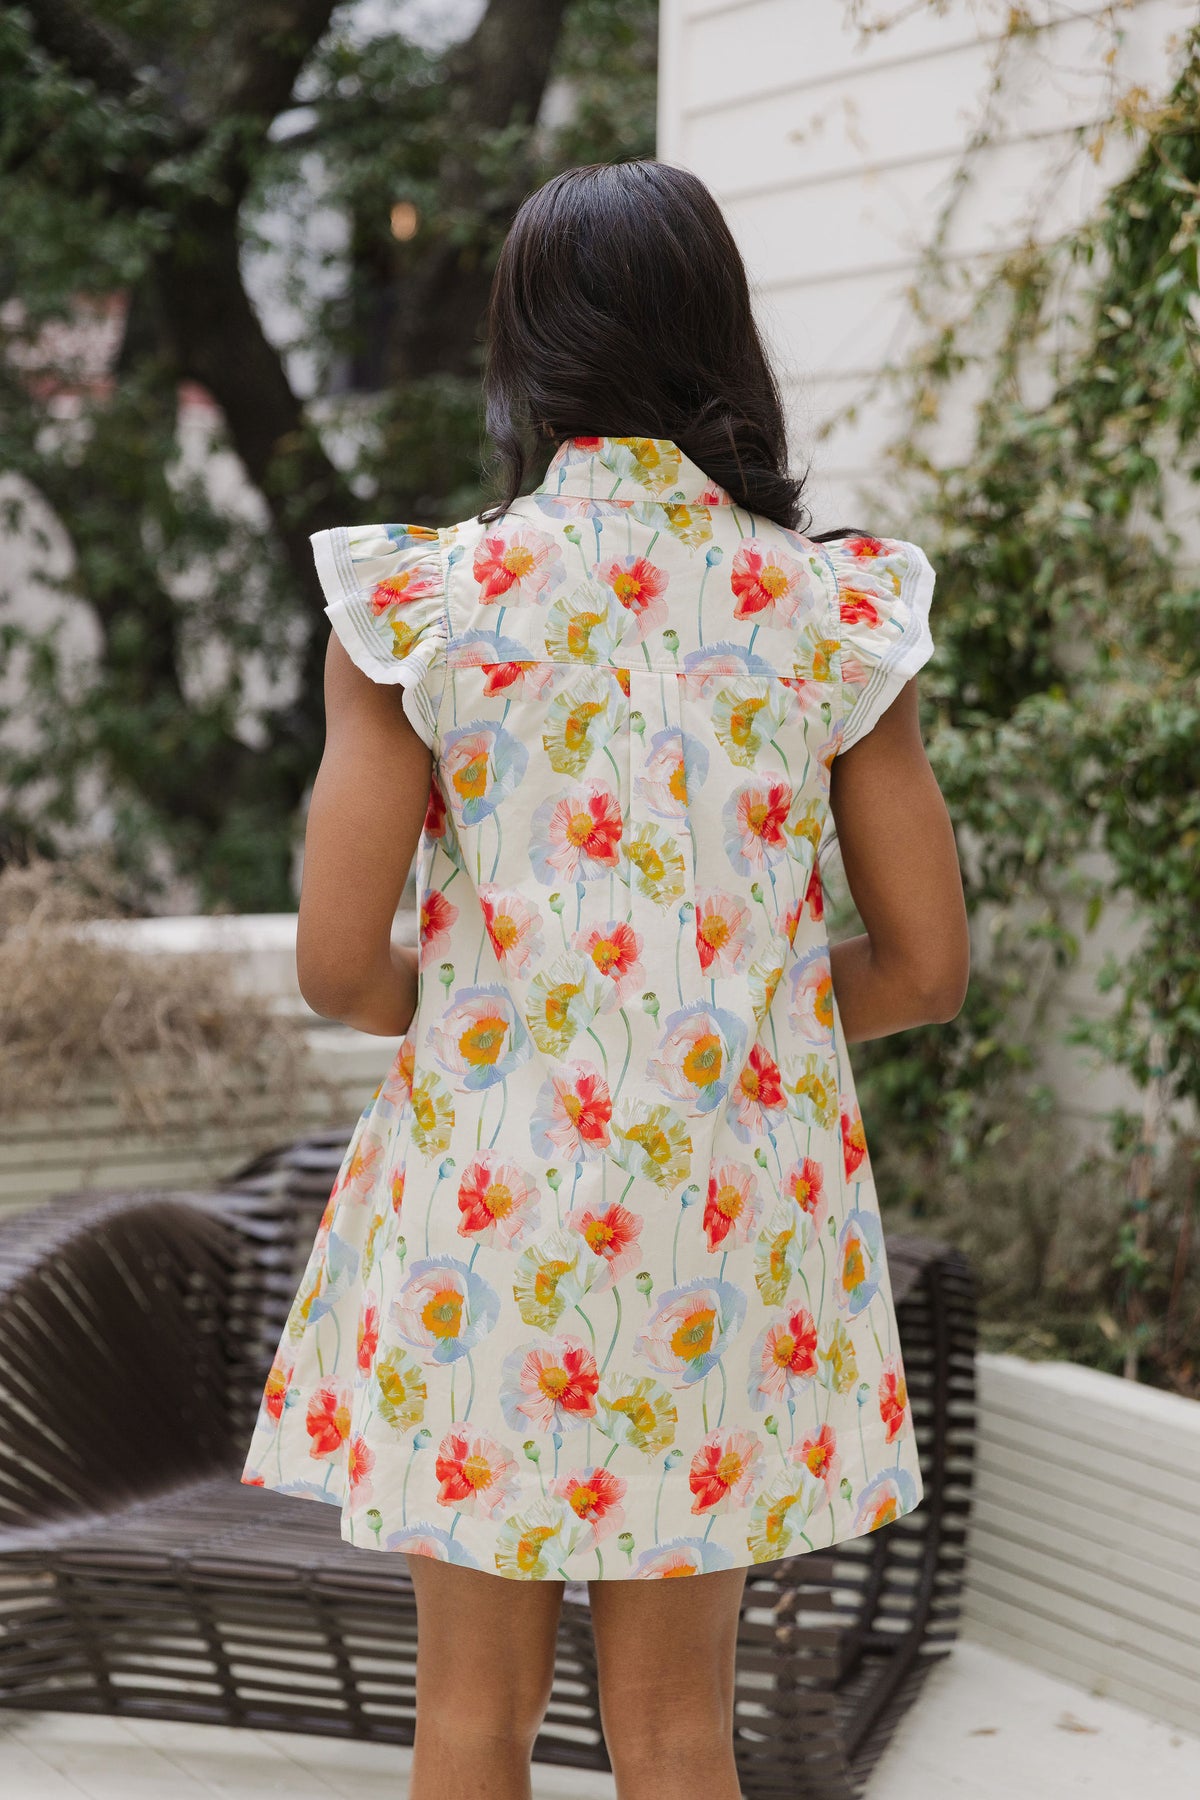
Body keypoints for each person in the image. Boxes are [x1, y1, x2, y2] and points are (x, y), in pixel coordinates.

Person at [240, 157, 970, 1800]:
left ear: (524, 349)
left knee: (471, 1719)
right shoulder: (833, 612)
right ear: (723, 335)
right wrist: (743, 1022)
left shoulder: (422, 608)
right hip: (725, 1218)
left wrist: (493, 1016)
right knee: (676, 1728)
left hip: (484, 1215)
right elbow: (925, 968)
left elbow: (338, 966)